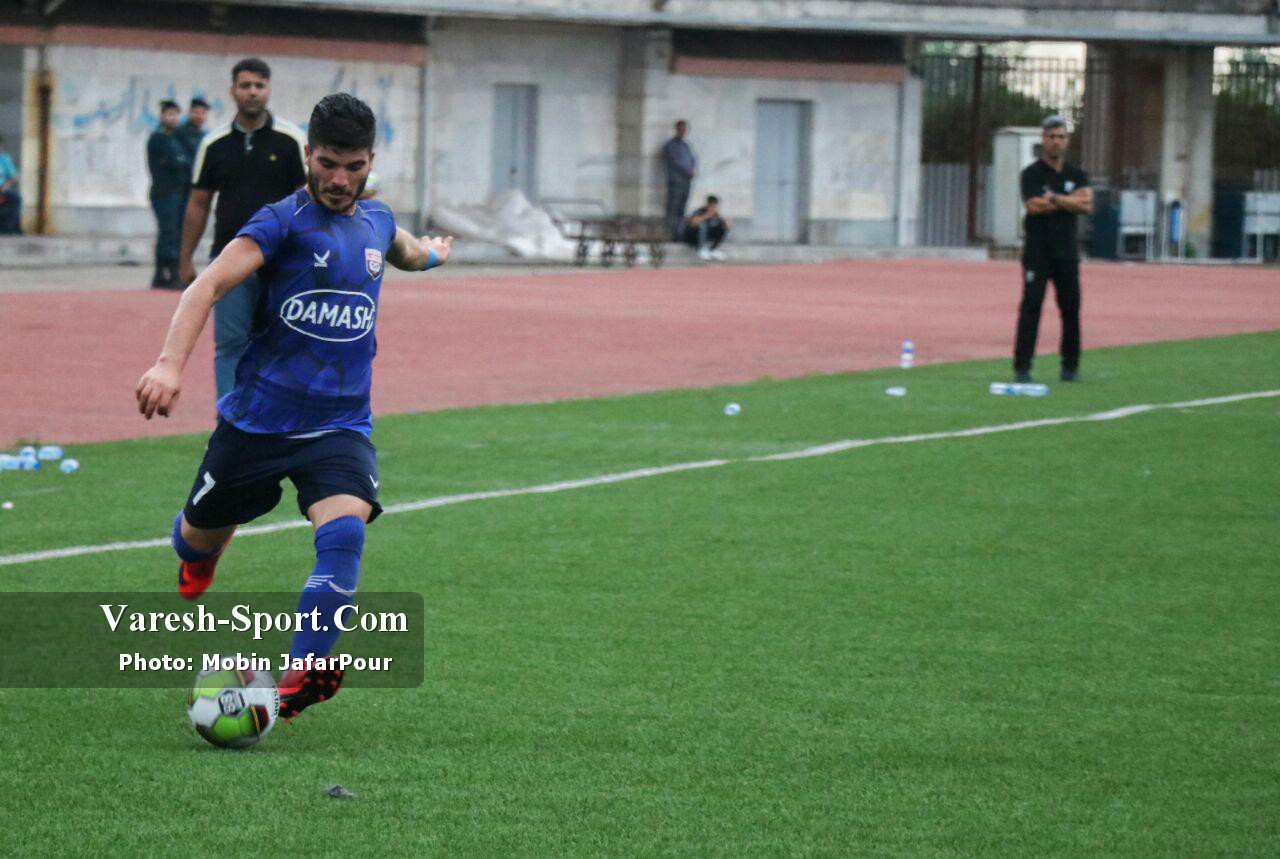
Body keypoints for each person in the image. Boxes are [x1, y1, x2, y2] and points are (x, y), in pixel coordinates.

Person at [135, 93, 454, 719]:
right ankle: (203, 554)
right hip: (257, 422)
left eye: (353, 166)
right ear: (308, 154)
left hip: (339, 424)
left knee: (344, 531)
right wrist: (169, 364)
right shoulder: (280, 221)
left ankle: (300, 673)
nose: (339, 179)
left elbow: (411, 254)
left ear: (370, 162)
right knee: (194, 540)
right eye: (328, 163)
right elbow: (208, 285)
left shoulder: (378, 220)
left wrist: (437, 253)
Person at [181, 58, 307, 399]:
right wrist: (185, 258)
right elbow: (198, 203)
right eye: (245, 85)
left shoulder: (291, 141)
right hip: (228, 259)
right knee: (230, 344)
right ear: (232, 91)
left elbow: (308, 201)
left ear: (268, 90)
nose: (252, 92)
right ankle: (229, 417)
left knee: (282, 341)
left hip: (281, 261)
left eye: (259, 85)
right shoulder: (214, 144)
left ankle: (277, 415)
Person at [1013, 115, 1093, 383]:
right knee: (1031, 307)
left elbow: (1086, 204)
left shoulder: (1076, 174)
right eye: (1051, 137)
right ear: (1044, 139)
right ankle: (1022, 367)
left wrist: (1055, 199)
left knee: (1070, 308)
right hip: (1037, 251)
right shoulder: (1032, 174)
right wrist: (1069, 201)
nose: (1056, 142)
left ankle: (1070, 367)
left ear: (1067, 140)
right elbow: (1033, 205)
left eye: (1061, 137)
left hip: (1066, 252)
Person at [146, 100, 191, 289]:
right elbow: (176, 162)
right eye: (169, 114)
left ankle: (162, 275)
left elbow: (186, 161)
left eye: (175, 114)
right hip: (164, 193)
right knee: (169, 233)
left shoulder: (177, 137)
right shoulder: (158, 138)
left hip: (178, 193)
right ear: (162, 116)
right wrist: (181, 161)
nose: (173, 118)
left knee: (174, 232)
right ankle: (169, 274)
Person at [663, 119, 696, 241]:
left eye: (684, 129)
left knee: (682, 208)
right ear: (677, 129)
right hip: (675, 181)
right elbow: (675, 161)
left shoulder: (686, 145)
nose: (683, 131)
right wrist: (687, 170)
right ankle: (670, 233)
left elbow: (693, 159)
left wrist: (692, 170)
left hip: (686, 181)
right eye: (681, 129)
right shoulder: (670, 145)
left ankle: (679, 234)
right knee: (673, 208)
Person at [682, 195, 731, 261]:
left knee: (723, 227)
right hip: (693, 237)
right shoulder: (700, 211)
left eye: (715, 206)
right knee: (702, 225)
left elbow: (721, 222)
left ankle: (713, 249)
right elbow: (694, 222)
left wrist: (726, 223)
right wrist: (707, 215)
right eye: (712, 206)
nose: (713, 208)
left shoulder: (715, 214)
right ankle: (701, 249)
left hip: (707, 236)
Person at [177, 96, 210, 162]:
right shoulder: (179, 132)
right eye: (196, 112)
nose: (200, 117)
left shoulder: (206, 136)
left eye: (203, 113)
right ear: (189, 112)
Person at [0, 134, 21, 235]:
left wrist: (5, 186)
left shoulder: (4, 159)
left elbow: (14, 177)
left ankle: (11, 228)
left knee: (16, 199)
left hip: (2, 189)